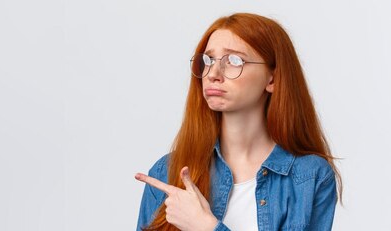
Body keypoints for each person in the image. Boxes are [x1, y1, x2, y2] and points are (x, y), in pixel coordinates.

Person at [134, 13, 342, 231]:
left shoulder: (309, 176)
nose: (213, 73)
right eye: (208, 60)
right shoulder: (167, 172)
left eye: (234, 60)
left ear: (272, 79)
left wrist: (205, 227)